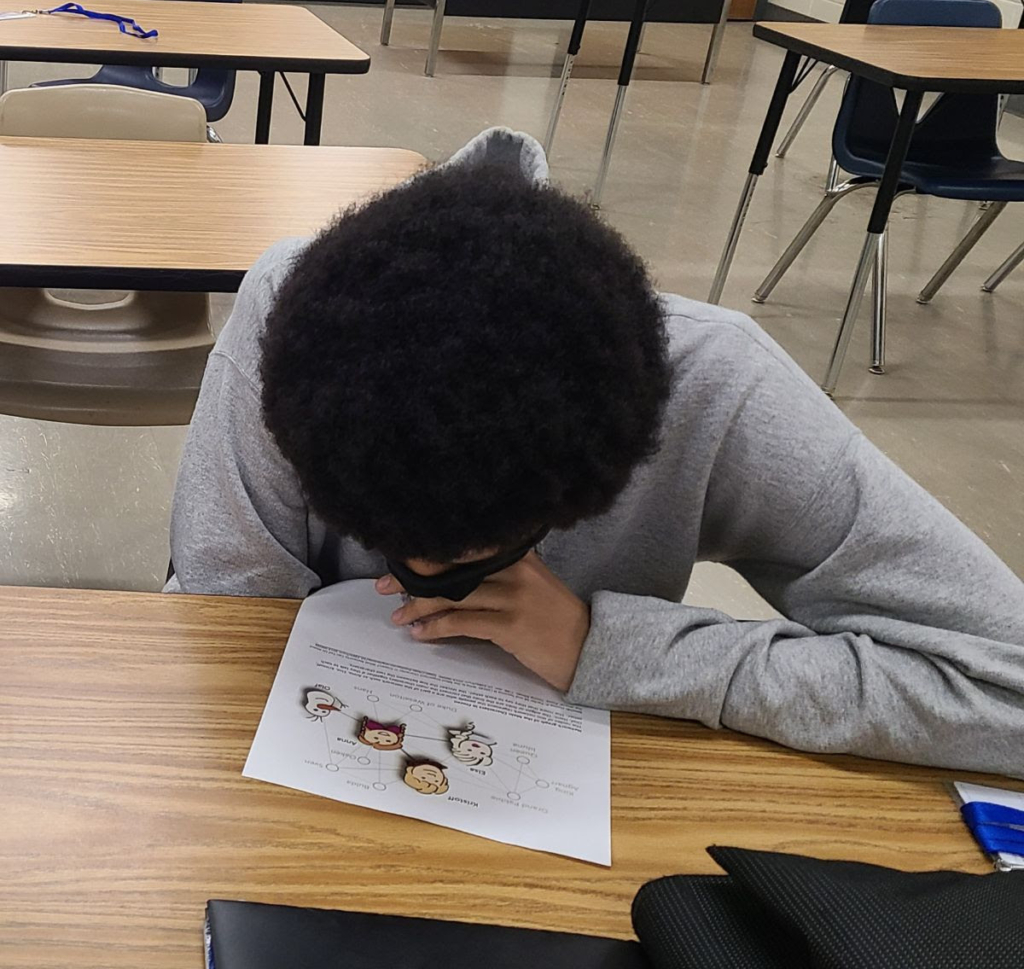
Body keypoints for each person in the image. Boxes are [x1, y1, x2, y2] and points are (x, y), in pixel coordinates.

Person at [168, 128, 1024, 779]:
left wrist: (608, 646)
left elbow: (1006, 687)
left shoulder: (715, 383)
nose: (431, 577)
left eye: (488, 554)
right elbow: (214, 623)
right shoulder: (294, 327)